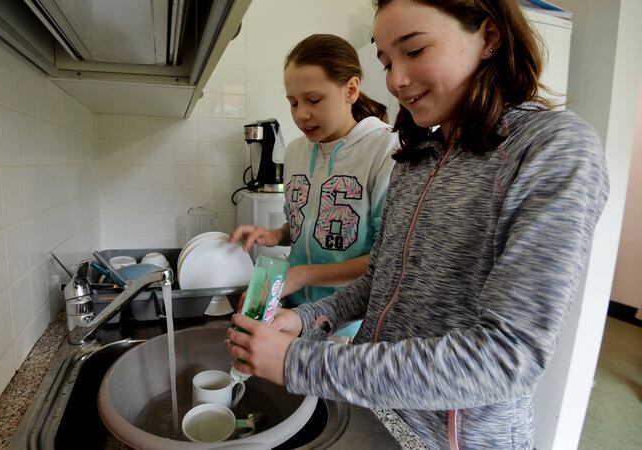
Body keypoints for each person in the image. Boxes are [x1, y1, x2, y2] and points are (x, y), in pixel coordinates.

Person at [226, 1, 610, 449]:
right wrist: (307, 320)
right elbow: (380, 283)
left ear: (489, 38)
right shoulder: (416, 159)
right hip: (373, 409)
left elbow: (510, 357)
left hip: (454, 438)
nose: (395, 80)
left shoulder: (552, 149)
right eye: (387, 61)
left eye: (415, 50)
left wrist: (296, 361)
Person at [229, 34, 398, 338]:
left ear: (351, 90)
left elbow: (385, 257)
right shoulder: (296, 151)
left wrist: (304, 275)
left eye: (314, 100)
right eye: (292, 103)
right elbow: (307, 224)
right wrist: (274, 235)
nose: (300, 115)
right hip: (291, 314)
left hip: (346, 325)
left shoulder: (385, 149)